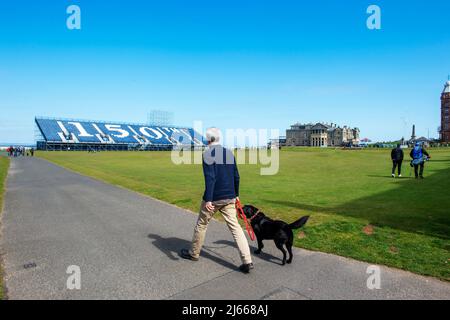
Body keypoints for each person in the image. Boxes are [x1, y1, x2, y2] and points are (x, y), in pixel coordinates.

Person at [180, 127, 253, 273]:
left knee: (201, 224)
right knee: (236, 228)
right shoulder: (229, 152)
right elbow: (236, 176)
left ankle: (193, 253)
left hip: (214, 198)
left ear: (208, 140)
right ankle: (247, 261)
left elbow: (210, 178)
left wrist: (208, 199)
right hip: (230, 196)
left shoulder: (207, 154)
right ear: (219, 138)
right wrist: (236, 194)